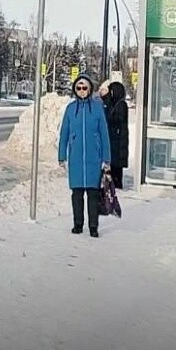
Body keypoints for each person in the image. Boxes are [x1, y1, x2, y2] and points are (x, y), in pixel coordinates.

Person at [58, 74, 111, 238]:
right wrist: (61, 155)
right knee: (77, 194)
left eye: (84, 88)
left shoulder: (96, 108)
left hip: (93, 158)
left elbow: (104, 134)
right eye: (78, 88)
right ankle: (78, 224)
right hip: (75, 159)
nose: (81, 91)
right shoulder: (70, 109)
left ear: (90, 89)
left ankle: (93, 226)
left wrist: (106, 158)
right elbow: (64, 133)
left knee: (93, 195)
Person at [102, 81, 129, 189]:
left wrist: (107, 100)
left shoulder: (121, 105)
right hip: (115, 143)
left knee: (116, 170)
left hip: (117, 144)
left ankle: (117, 186)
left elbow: (114, 118)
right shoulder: (116, 104)